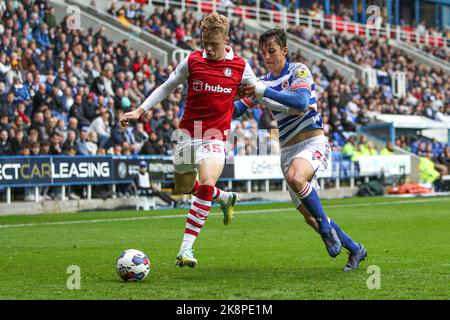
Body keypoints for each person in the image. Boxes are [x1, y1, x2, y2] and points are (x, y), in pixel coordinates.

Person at [120, 12, 258, 268]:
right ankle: (224, 198)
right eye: (205, 42)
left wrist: (239, 105)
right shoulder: (192, 60)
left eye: (214, 44)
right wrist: (140, 110)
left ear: (226, 39)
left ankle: (186, 249)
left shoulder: (240, 66)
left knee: (205, 182)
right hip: (186, 134)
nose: (209, 49)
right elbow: (167, 86)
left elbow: (259, 91)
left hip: (214, 135)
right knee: (184, 187)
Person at [235, 28, 367, 271]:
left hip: (312, 142)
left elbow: (301, 102)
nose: (267, 57)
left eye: (271, 51)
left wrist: (262, 91)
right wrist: (212, 99)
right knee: (309, 216)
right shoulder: (262, 82)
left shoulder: (299, 71)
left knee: (296, 177)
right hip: (287, 150)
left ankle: (327, 230)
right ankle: (356, 249)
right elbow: (236, 110)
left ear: (284, 50)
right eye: (263, 53)